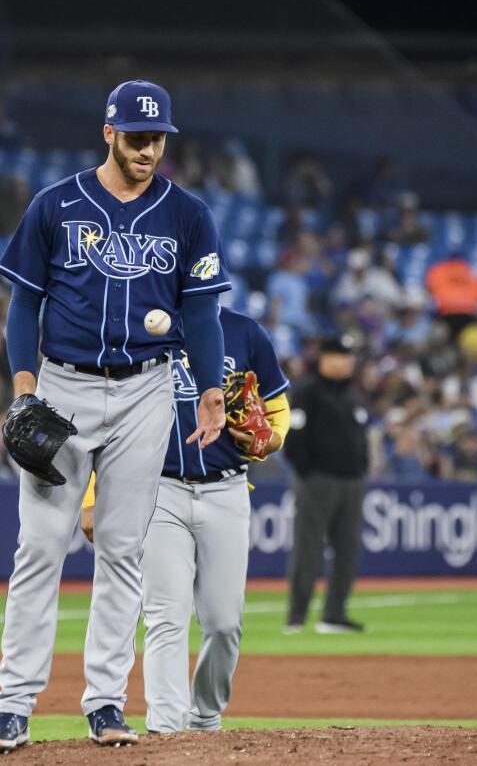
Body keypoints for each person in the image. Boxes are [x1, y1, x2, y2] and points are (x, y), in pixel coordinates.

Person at [0, 80, 230, 754]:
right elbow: (23, 304)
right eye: (138, 137)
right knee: (40, 546)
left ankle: (106, 703)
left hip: (148, 387)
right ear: (109, 132)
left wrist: (210, 389)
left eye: (159, 139)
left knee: (121, 550)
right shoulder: (55, 205)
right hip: (63, 385)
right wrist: (24, 387)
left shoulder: (188, 214)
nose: (149, 149)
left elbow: (201, 313)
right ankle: (12, 706)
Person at [81, 307, 290, 733]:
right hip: (156, 489)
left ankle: (205, 715)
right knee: (165, 614)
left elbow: (277, 405)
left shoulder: (244, 332)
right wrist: (90, 494)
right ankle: (166, 729)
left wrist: (272, 437)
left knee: (224, 622)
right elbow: (103, 419)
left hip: (227, 488)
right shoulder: (130, 328)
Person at [284, 335, 369, 634]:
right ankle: (296, 617)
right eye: (339, 355)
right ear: (324, 358)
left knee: (348, 549)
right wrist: (306, 471)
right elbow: (293, 436)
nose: (346, 361)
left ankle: (334, 615)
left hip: (351, 481)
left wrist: (362, 467)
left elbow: (361, 437)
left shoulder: (354, 394)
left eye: (348, 356)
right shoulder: (308, 391)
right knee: (308, 548)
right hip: (318, 479)